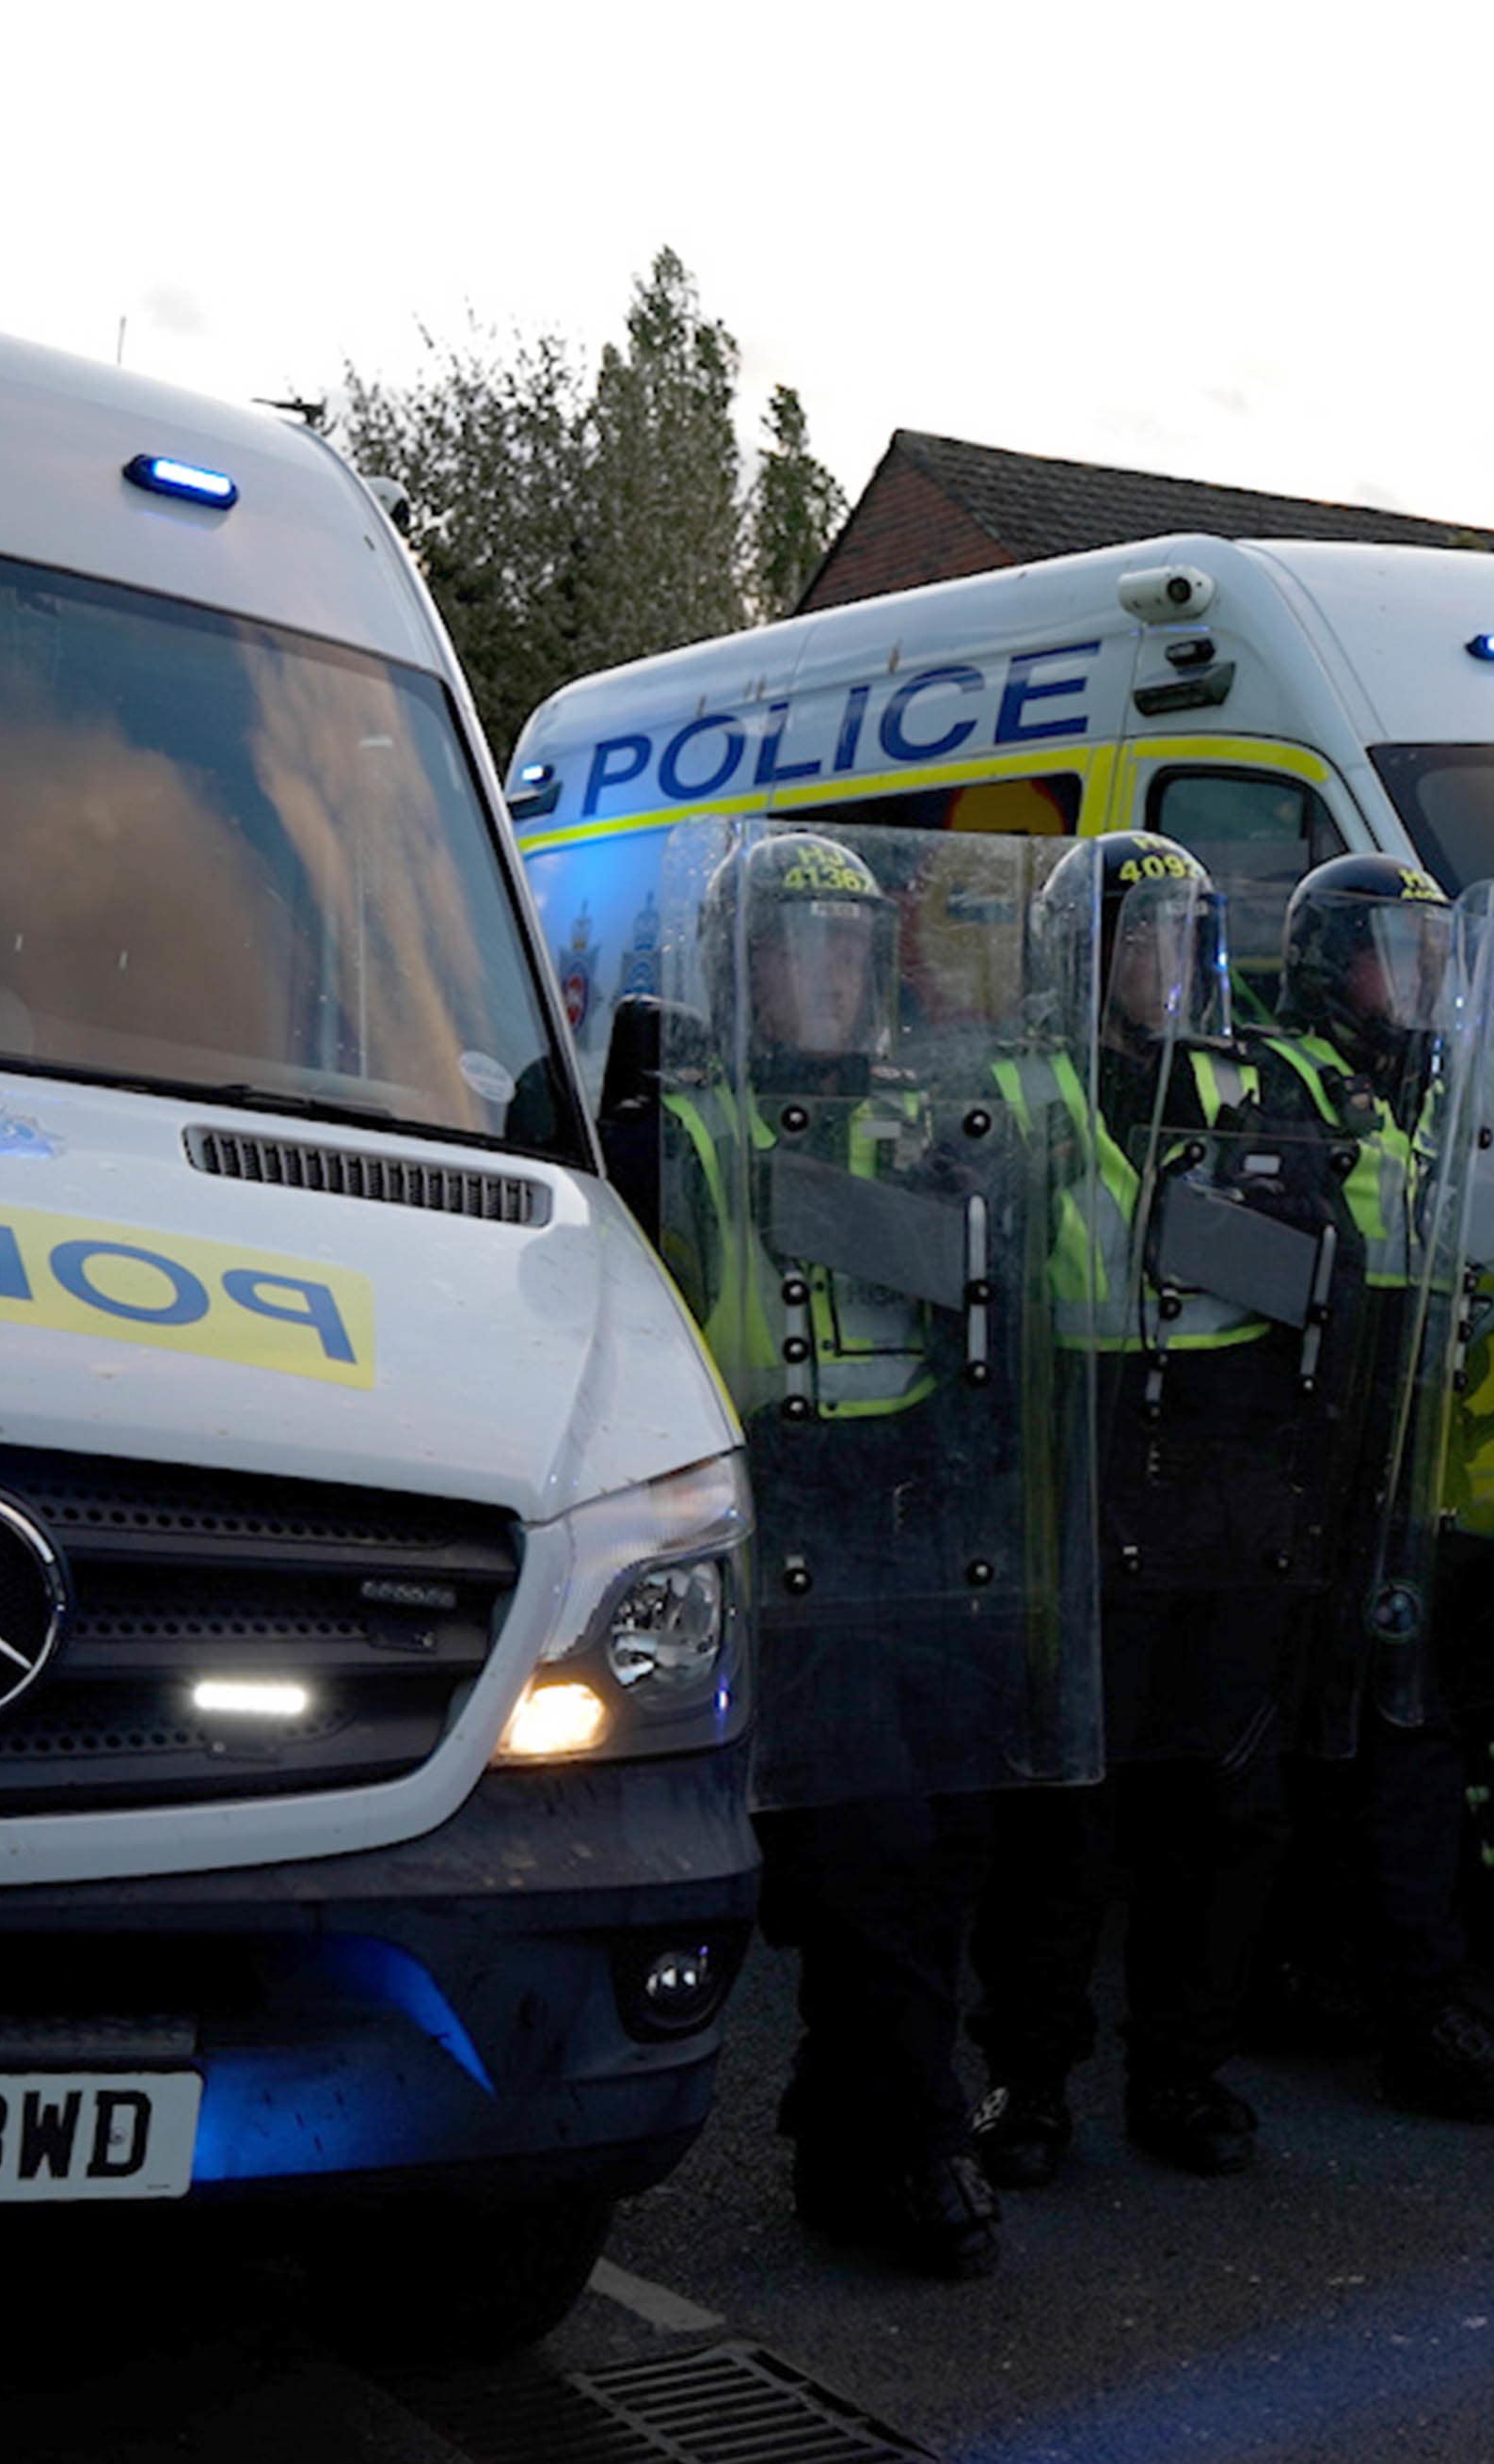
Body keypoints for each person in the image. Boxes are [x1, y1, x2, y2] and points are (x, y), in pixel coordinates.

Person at [631, 828, 1055, 2279]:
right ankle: (910, 2144)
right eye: (793, 947)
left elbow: (997, 1329)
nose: (825, 976)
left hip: (917, 1509)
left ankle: (847, 2105)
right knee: (875, 1847)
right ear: (736, 971)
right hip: (775, 1516)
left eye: (847, 948)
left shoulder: (914, 1117)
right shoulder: (683, 1125)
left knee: (951, 1837)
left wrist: (981, 1205)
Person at [968, 830, 1336, 2182]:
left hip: (1231, 1480)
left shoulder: (1252, 1083)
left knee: (1223, 1805)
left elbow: (1321, 1255)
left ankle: (1184, 2068)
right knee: (1066, 1810)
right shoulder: (1018, 1087)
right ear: (1080, 952)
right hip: (1085, 1464)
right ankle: (1029, 2075)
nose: (1161, 962)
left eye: (1183, 935)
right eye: (1136, 936)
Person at [1245, 853, 1494, 2124]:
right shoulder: (1279, 1091)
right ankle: (1372, 1994)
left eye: (1437, 956)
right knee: (1333, 1746)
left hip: (1396, 1469)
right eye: (1396, 953)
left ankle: (1367, 1979)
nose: (1423, 982)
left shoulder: (1415, 1099)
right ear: (1332, 965)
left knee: (1392, 1738)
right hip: (1296, 1471)